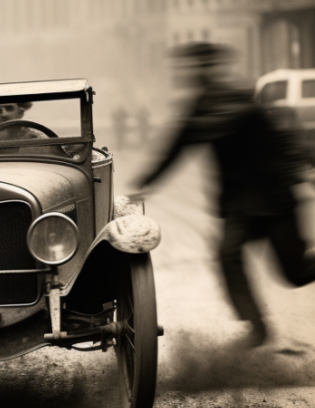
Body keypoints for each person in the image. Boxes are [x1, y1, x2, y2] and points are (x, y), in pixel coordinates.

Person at [134, 42, 315, 347]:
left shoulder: (235, 97)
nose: (198, 73)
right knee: (227, 254)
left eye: (204, 66)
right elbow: (176, 146)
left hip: (275, 200)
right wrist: (146, 182)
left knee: (294, 274)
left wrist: (302, 166)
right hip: (241, 205)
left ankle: (257, 326)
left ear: (216, 68)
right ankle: (257, 326)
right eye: (193, 68)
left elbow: (280, 138)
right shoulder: (200, 106)